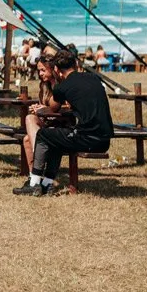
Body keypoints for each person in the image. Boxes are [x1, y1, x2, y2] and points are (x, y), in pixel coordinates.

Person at [14, 47, 113, 196]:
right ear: (76, 65)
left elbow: (53, 107)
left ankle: (34, 183)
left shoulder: (63, 86)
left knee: (42, 135)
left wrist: (58, 88)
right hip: (105, 140)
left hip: (88, 139)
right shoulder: (93, 78)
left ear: (56, 69)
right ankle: (47, 185)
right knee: (57, 138)